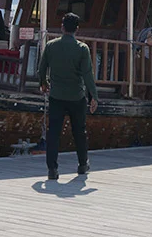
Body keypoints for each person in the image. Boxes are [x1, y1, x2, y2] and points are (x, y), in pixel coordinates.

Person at [38, 12, 99, 180]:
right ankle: (82, 164)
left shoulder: (51, 46)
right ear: (77, 29)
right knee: (79, 131)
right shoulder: (82, 48)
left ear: (62, 27)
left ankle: (52, 169)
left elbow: (41, 69)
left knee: (53, 133)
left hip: (56, 96)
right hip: (77, 96)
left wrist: (43, 83)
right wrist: (94, 95)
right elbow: (87, 74)